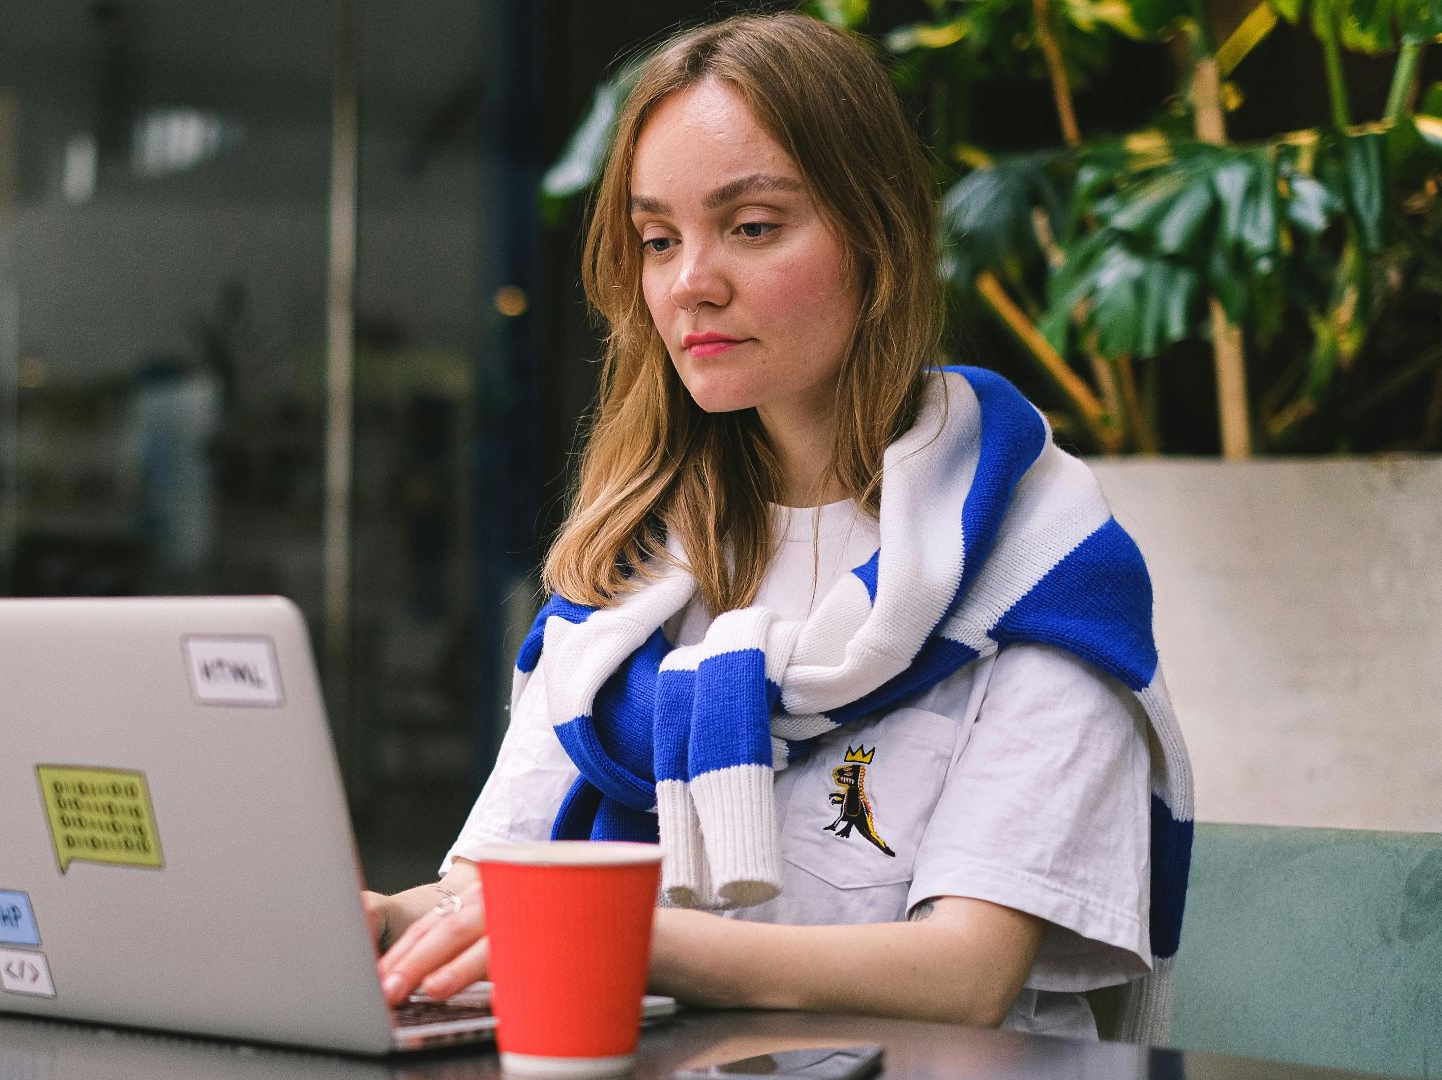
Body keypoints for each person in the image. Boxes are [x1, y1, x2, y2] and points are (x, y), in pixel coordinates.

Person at [362, 11, 1193, 1042]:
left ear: (878, 241)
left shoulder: (1036, 566)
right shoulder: (625, 580)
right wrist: (381, 922)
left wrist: (632, 937)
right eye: (658, 240)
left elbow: (968, 972)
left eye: (751, 227)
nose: (689, 283)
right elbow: (490, 896)